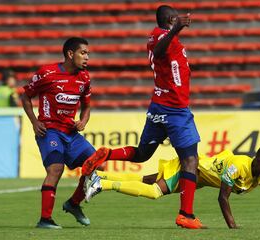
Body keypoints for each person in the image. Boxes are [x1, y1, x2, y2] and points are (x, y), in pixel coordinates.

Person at [80, 5, 202, 229]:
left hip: (160, 106)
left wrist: (174, 32)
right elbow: (158, 52)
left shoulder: (165, 37)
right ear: (171, 19)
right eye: (176, 19)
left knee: (142, 154)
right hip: (174, 109)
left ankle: (107, 154)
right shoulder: (159, 36)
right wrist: (175, 30)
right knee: (190, 160)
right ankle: (186, 214)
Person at [84, 145, 260, 229]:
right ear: (259, 160)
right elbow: (223, 198)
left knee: (147, 181)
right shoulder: (238, 166)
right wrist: (233, 227)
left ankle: (101, 174)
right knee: (154, 192)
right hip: (191, 168)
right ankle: (103, 184)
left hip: (198, 178)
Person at [21, 37, 97, 229]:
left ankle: (73, 204)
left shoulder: (84, 77)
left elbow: (87, 105)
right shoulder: (47, 73)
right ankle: (45, 219)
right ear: (70, 54)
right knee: (55, 169)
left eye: (88, 53)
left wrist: (83, 120)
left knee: (97, 164)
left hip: (70, 133)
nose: (87, 57)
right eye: (83, 53)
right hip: (49, 130)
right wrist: (34, 121)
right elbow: (26, 96)